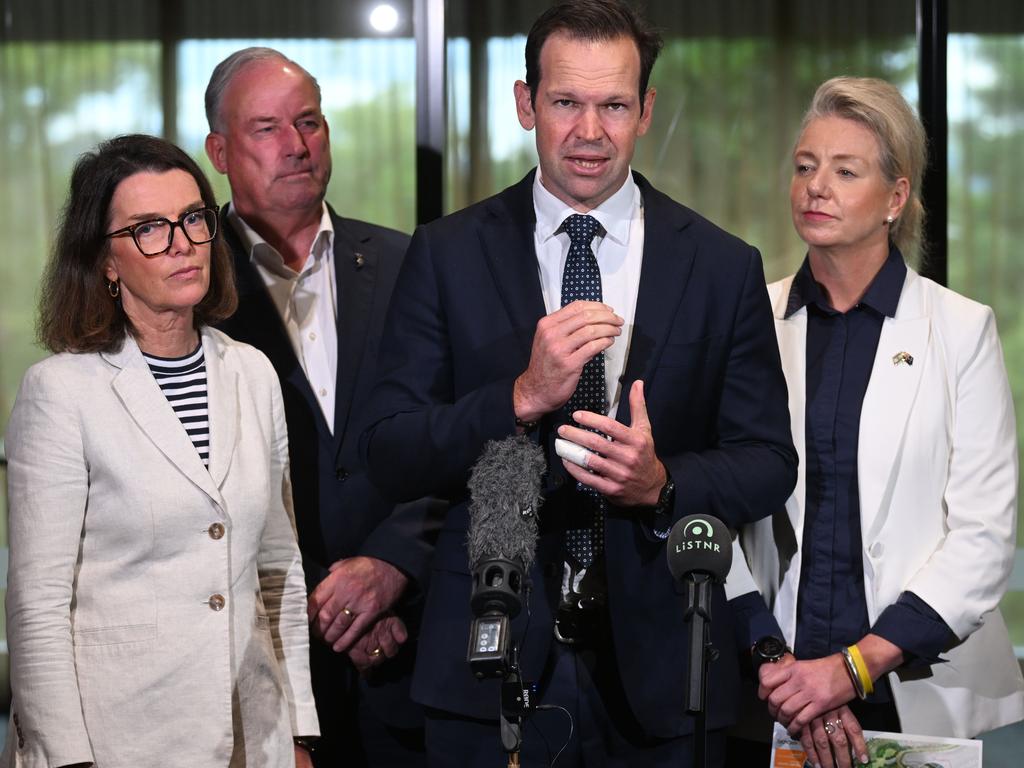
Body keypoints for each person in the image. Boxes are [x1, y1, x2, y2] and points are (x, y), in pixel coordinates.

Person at [358, 1, 797, 765]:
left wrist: (663, 484)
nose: (590, 132)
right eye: (565, 103)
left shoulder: (724, 266)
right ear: (526, 102)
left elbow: (768, 460)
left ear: (646, 110)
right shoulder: (446, 253)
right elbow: (389, 449)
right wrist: (518, 398)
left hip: (665, 673)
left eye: (614, 106)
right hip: (485, 662)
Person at [2, 134, 318, 767]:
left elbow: (278, 567)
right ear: (106, 261)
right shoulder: (60, 392)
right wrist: (65, 757)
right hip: (120, 743)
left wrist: (300, 730)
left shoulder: (252, 372)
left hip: (252, 738)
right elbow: (37, 606)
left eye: (193, 218)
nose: (180, 242)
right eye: (148, 228)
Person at [738, 76, 1024, 768]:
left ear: (896, 198)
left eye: (845, 170)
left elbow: (983, 537)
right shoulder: (750, 321)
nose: (815, 187)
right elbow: (718, 513)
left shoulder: (961, 331)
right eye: (805, 167)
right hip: (776, 691)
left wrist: (853, 668)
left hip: (921, 687)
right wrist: (779, 661)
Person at [204, 47, 438, 766]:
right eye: (267, 128)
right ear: (218, 151)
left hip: (415, 661)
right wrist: (327, 604)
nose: (297, 145)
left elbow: (466, 438)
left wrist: (395, 564)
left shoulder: (414, 262)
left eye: (309, 122)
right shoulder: (187, 283)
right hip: (253, 678)